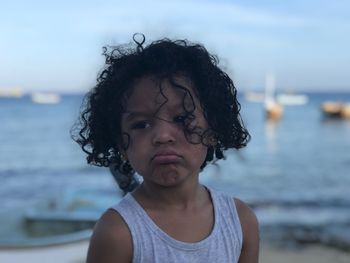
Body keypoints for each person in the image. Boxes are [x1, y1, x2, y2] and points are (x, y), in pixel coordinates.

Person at [72, 34, 259, 263]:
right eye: (141, 124)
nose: (162, 136)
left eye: (182, 118)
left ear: (212, 130)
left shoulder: (240, 221)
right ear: (121, 144)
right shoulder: (117, 232)